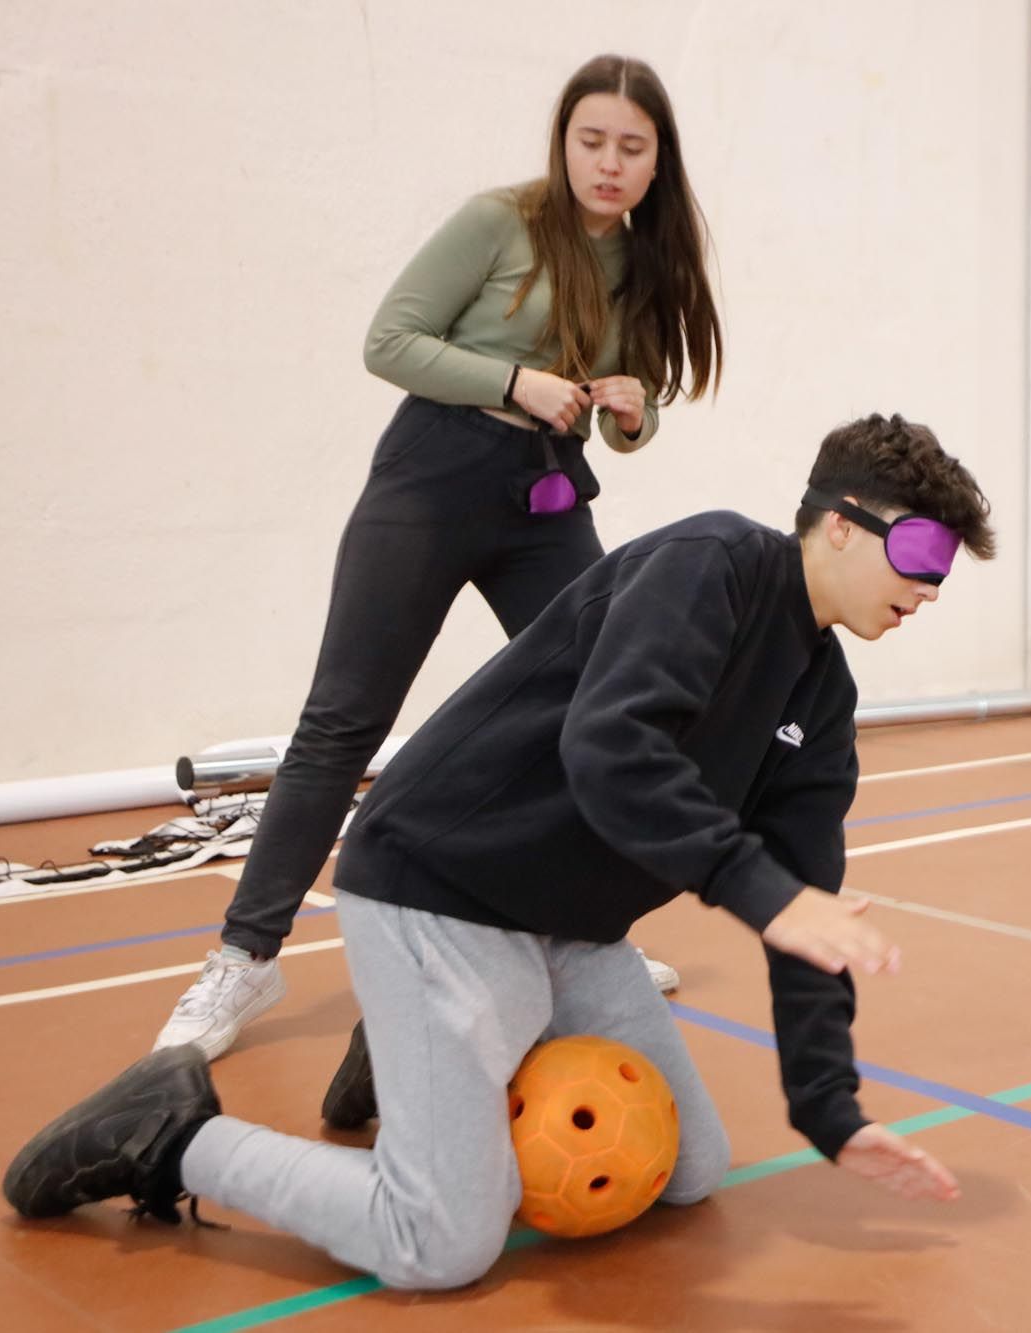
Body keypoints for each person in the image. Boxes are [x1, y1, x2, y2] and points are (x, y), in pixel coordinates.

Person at [5, 414, 992, 1291]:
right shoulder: (710, 564)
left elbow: (808, 907)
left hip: (567, 927)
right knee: (437, 1242)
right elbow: (612, 753)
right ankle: (170, 1133)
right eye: (918, 550)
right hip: (440, 885)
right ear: (838, 521)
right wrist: (759, 891)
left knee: (686, 1170)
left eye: (946, 568)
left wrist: (831, 1110)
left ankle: (403, 1061)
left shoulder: (822, 696)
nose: (929, 585)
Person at [155, 54, 721, 1059]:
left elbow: (628, 413)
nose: (608, 163)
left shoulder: (638, 260)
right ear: (563, 139)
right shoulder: (498, 222)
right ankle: (242, 961)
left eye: (631, 149)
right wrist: (514, 378)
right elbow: (390, 341)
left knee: (595, 706)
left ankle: (579, 934)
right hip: (430, 479)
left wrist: (630, 409)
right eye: (591, 140)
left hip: (543, 497)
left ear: (656, 163)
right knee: (342, 721)